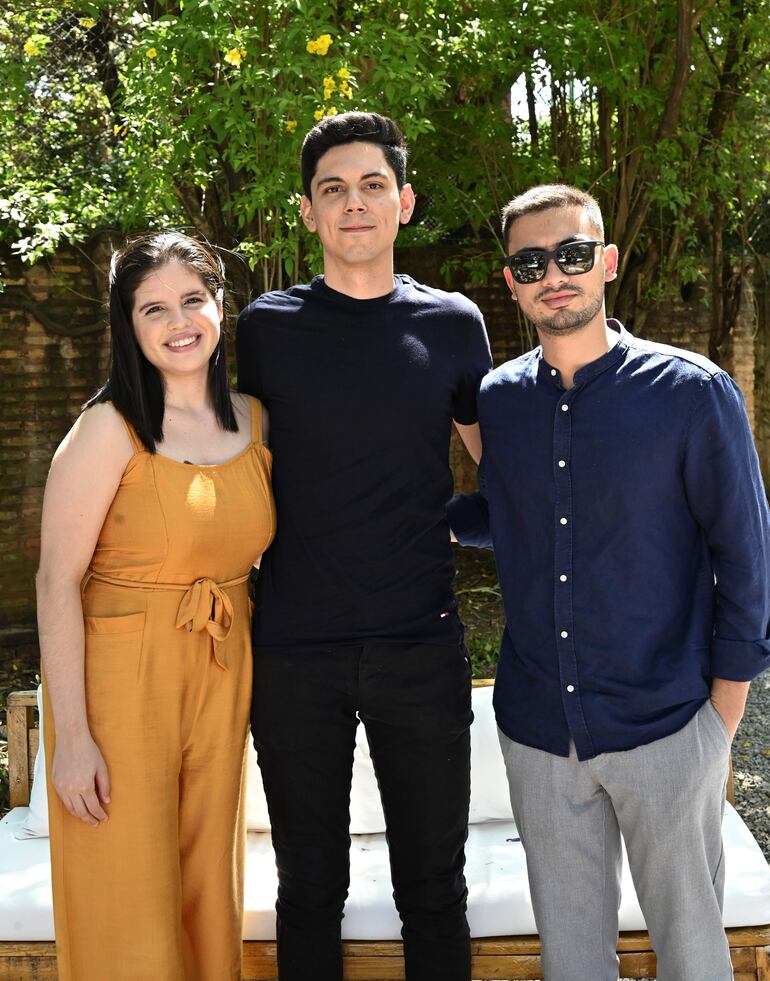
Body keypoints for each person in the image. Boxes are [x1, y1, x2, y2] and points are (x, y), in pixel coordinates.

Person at [448, 184, 770, 981]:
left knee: (695, 954)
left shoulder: (693, 394)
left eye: (572, 254)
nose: (553, 273)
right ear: (512, 280)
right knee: (573, 963)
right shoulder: (501, 401)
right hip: (538, 734)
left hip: (667, 725)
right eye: (532, 262)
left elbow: (747, 556)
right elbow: (520, 516)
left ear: (607, 263)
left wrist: (719, 722)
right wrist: (423, 519)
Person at [236, 111, 491, 981]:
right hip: (293, 649)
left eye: (372, 185)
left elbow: (507, 468)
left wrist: (460, 521)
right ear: (307, 211)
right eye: (333, 189)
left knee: (433, 887)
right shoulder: (264, 329)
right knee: (308, 886)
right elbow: (222, 458)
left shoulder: (454, 324)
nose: (354, 203)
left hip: (421, 642)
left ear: (405, 202)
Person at [36, 232, 275, 981]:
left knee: (208, 891)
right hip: (120, 686)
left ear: (219, 305)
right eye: (154, 308)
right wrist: (70, 738)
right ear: (129, 324)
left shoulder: (255, 420)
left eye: (193, 300)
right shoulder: (109, 429)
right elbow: (54, 581)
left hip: (219, 672)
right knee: (127, 903)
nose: (179, 321)